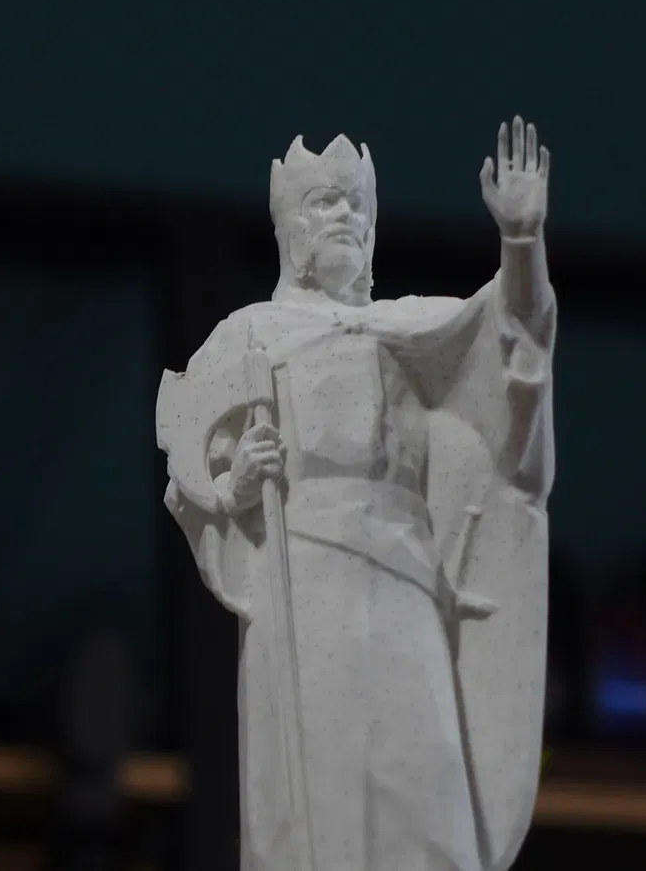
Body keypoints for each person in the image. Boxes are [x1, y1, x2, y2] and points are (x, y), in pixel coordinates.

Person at [158, 120, 556, 871]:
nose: (343, 216)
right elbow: (190, 461)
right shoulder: (250, 338)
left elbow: (514, 337)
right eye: (324, 203)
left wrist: (521, 240)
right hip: (305, 584)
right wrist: (238, 481)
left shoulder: (413, 327)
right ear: (290, 226)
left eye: (355, 205)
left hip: (406, 584)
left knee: (426, 801)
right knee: (313, 802)